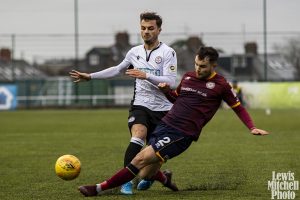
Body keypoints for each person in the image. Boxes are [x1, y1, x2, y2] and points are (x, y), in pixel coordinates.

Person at [77, 46, 269, 197]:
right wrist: (165, 91)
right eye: (196, 64)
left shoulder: (221, 85)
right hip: (165, 124)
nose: (198, 69)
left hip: (182, 134)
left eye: (203, 66)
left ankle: (98, 189)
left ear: (213, 66)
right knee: (144, 173)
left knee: (139, 159)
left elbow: (238, 107)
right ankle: (165, 178)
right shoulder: (188, 77)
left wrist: (251, 127)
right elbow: (176, 98)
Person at [69, 12, 177, 195]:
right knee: (138, 134)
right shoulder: (134, 52)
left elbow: (170, 81)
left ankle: (157, 177)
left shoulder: (168, 52)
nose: (146, 32)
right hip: (141, 105)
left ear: (159, 29)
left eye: (151, 28)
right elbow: (117, 69)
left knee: (153, 159)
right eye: (143, 28)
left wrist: (146, 75)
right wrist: (90, 76)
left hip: (164, 110)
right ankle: (125, 183)